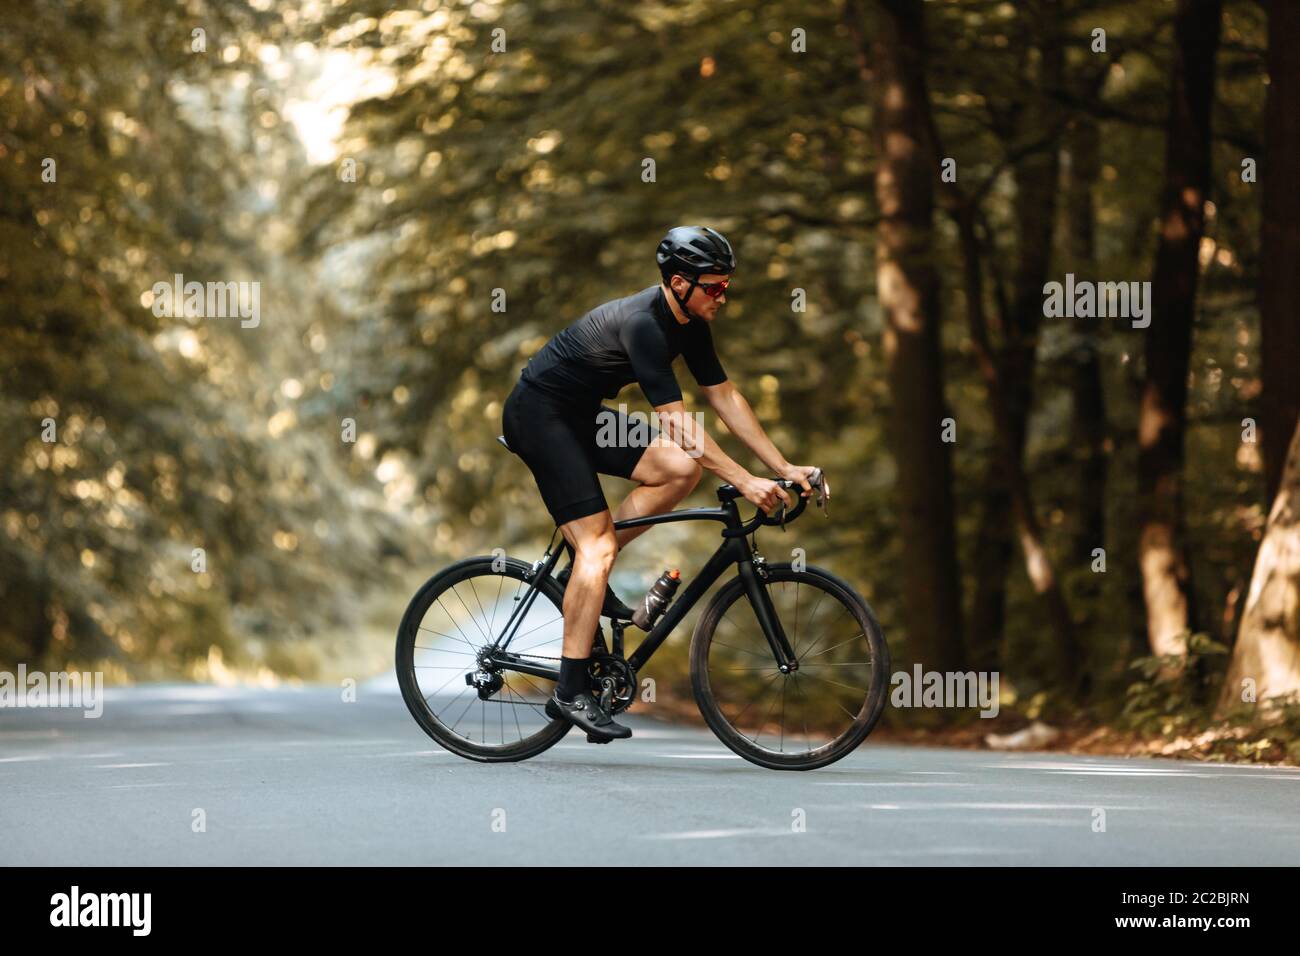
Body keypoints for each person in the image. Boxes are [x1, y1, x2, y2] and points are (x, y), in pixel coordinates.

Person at [500, 225, 829, 741]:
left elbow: (725, 399)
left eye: (727, 286)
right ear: (679, 283)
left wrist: (783, 468)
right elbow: (677, 422)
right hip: (538, 416)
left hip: (581, 415)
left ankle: (580, 576)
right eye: (715, 287)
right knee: (599, 545)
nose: (724, 296)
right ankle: (568, 690)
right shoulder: (644, 325)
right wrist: (745, 481)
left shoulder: (692, 324)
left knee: (679, 468)